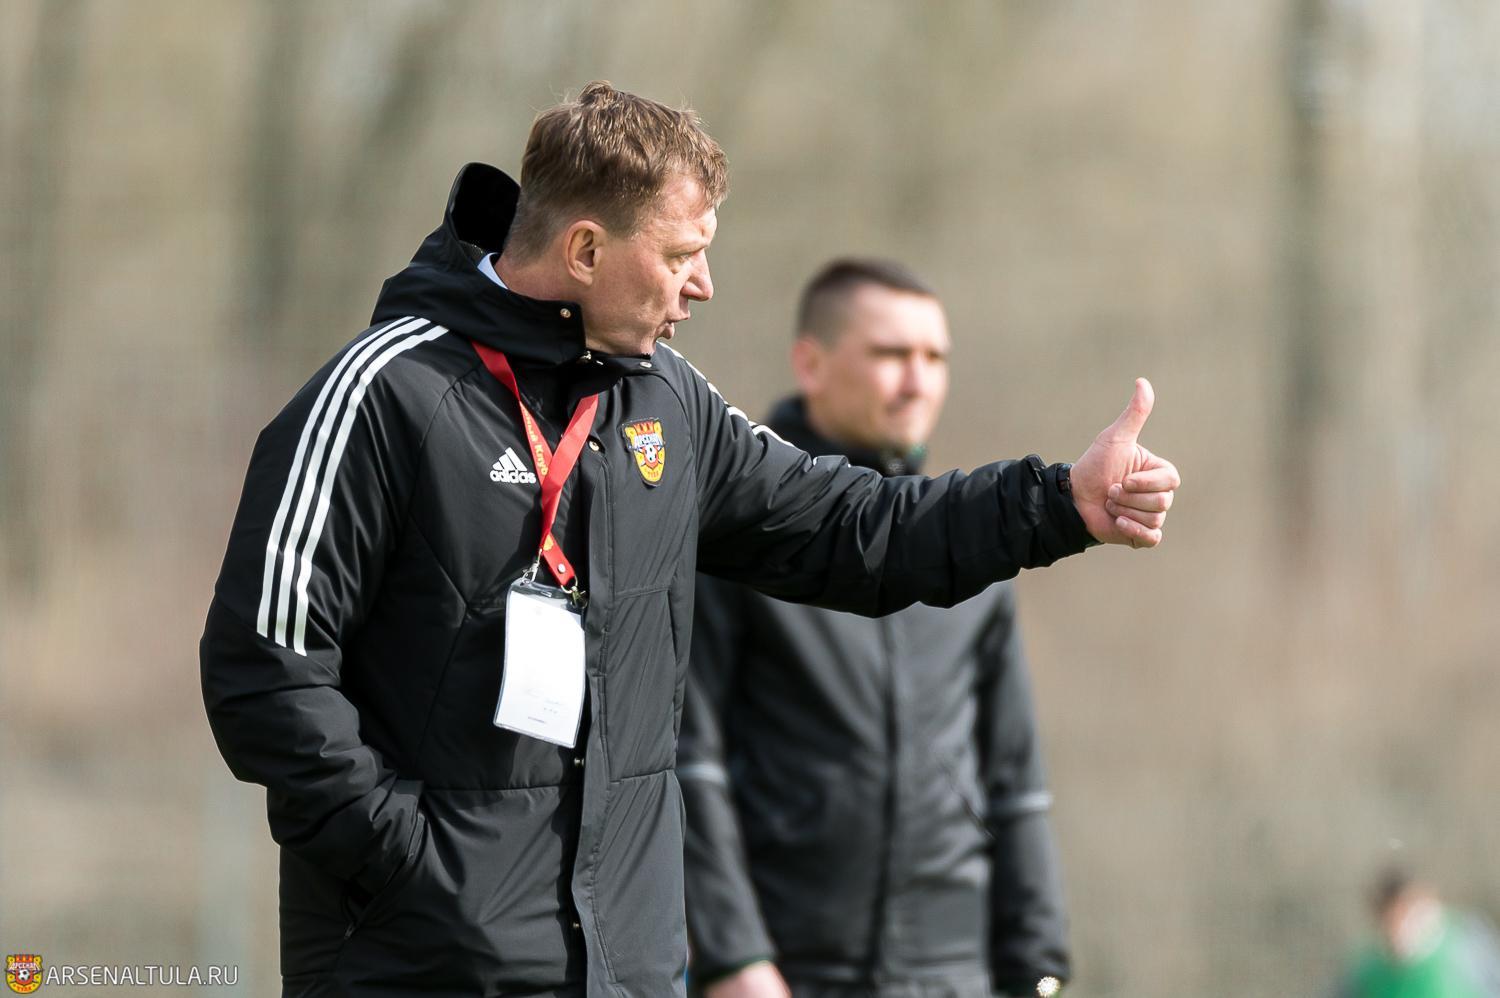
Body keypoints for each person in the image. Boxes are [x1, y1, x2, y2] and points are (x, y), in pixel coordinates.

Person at [199, 81, 1180, 998]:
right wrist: (414, 863)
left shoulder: (665, 398)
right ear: (586, 251)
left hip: (627, 968)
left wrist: (1059, 503)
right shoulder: (382, 395)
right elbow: (263, 670)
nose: (702, 285)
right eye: (679, 256)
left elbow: (854, 525)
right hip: (419, 962)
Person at [679, 259, 1070, 998]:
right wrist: (732, 957)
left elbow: (1015, 783)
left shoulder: (967, 549)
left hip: (955, 976)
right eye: (892, 354)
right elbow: (687, 761)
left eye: (935, 358)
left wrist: (1039, 970)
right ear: (811, 363)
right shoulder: (739, 537)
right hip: (788, 974)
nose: (918, 381)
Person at [1333, 869, 1500, 998]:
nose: (1401, 931)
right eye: (1391, 922)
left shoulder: (1465, 941)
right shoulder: (1367, 969)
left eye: (1406, 916)